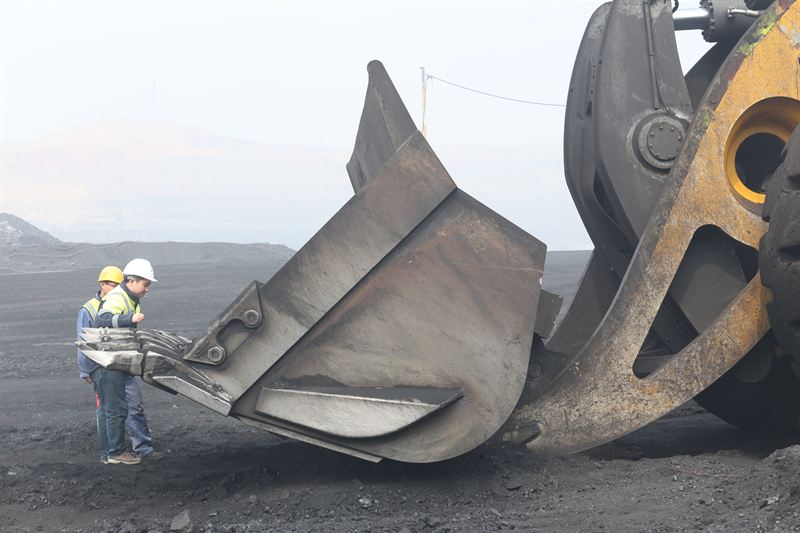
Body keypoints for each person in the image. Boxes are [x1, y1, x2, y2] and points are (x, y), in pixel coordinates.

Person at [93, 258, 159, 465]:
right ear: (132, 281)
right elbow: (102, 319)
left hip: (122, 359)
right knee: (114, 408)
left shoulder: (131, 298)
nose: (147, 289)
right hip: (110, 360)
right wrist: (128, 320)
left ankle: (141, 449)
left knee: (133, 406)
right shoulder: (118, 297)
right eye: (145, 284)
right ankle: (113, 453)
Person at [77, 265, 124, 464]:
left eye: (117, 285)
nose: (114, 289)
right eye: (111, 284)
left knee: (107, 410)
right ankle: (110, 453)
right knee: (108, 410)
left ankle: (108, 453)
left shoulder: (116, 304)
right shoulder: (89, 308)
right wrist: (85, 369)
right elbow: (81, 339)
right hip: (100, 367)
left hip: (114, 365)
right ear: (102, 284)